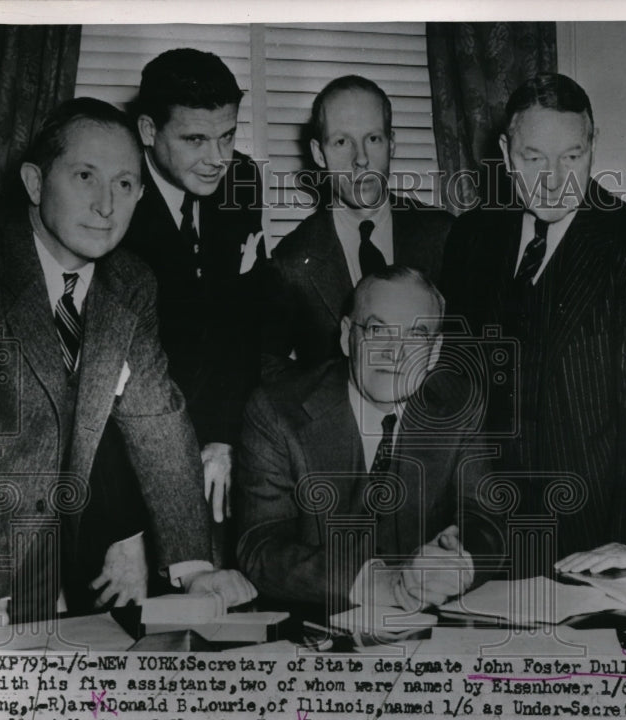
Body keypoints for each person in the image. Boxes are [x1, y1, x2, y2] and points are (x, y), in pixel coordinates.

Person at [0, 98, 255, 623]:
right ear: (34, 183)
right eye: (84, 176)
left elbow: (158, 423)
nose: (106, 205)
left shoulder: (130, 282)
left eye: (124, 184)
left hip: (49, 569)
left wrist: (194, 568)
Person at [442, 73, 626, 571]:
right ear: (506, 154)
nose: (554, 179)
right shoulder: (471, 238)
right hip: (480, 534)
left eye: (571, 157)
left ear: (593, 147)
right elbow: (453, 388)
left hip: (590, 538)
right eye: (534, 159)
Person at [237, 266, 503, 611]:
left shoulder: (457, 405)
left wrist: (459, 562)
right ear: (348, 336)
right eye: (378, 331)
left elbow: (485, 519)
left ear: (435, 351)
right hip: (316, 624)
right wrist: (375, 583)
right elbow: (260, 547)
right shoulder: (277, 411)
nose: (395, 353)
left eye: (417, 335)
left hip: (428, 624)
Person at [123, 48, 266, 535]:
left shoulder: (242, 178)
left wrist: (223, 437)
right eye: (195, 139)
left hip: (221, 431)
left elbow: (243, 323)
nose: (218, 159)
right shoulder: (113, 197)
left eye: (227, 136)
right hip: (135, 441)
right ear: (147, 131)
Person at [261, 75, 453, 382]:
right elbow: (270, 365)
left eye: (373, 139)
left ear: (393, 143)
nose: (360, 159)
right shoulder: (292, 260)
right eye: (341, 142)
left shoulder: (444, 235)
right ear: (318, 153)